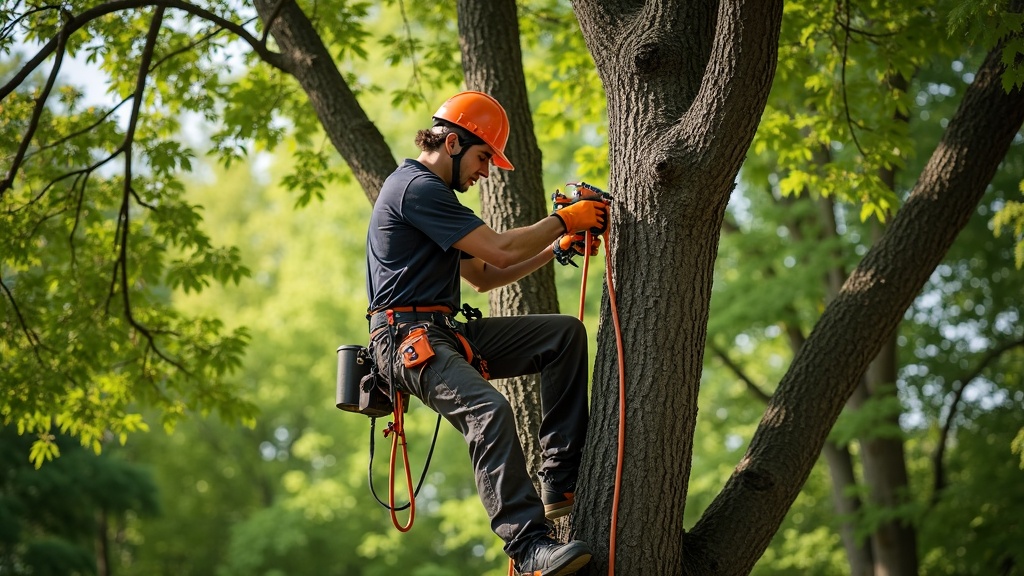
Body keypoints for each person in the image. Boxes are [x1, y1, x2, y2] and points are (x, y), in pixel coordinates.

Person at [365, 91, 606, 575]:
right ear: (452, 143)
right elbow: (499, 250)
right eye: (482, 158)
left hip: (440, 331)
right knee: (489, 411)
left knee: (562, 336)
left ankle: (558, 477)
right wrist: (565, 218)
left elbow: (484, 276)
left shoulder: (434, 199)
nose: (485, 172)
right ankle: (528, 547)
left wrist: (555, 246)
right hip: (404, 339)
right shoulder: (415, 188)